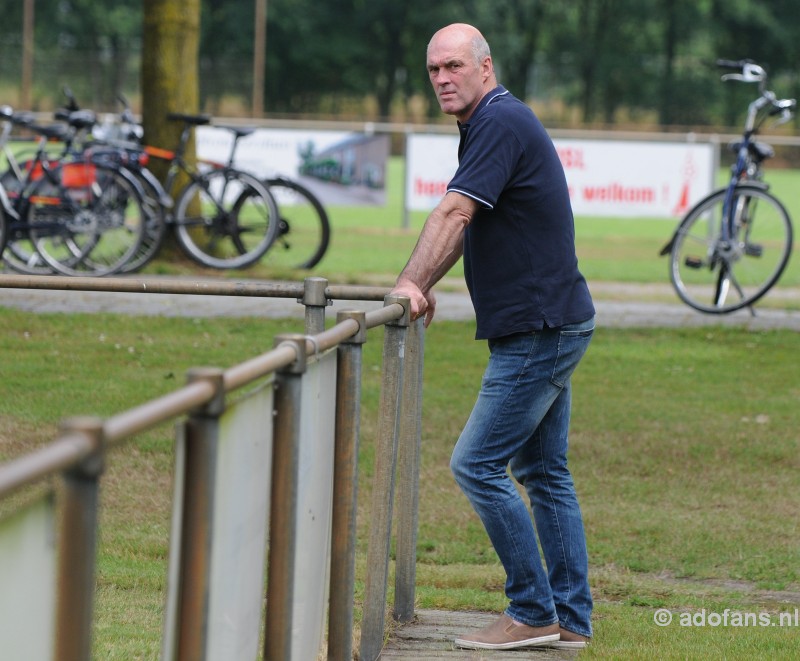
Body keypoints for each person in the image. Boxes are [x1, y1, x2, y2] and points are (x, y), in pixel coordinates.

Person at [390, 23, 596, 651]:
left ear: (486, 67)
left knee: (475, 464)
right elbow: (472, 221)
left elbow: (455, 211)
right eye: (434, 70)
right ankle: (569, 620)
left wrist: (408, 283)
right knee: (543, 471)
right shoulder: (489, 124)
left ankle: (532, 611)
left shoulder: (500, 122)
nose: (444, 79)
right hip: (552, 320)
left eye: (454, 65)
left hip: (540, 329)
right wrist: (426, 285)